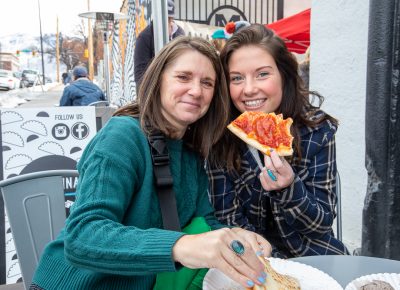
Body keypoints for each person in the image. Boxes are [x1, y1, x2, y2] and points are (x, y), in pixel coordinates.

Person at [31, 36, 272, 290]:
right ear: (158, 80)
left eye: (207, 83)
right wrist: (180, 246)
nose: (196, 90)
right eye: (183, 77)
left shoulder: (191, 149)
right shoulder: (121, 136)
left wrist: (237, 237)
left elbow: (204, 220)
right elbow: (82, 235)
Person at [206, 23, 349, 258]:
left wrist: (289, 186)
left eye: (263, 74)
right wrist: (274, 263)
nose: (249, 89)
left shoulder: (317, 131)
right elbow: (229, 221)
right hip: (253, 258)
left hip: (313, 255)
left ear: (284, 75)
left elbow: (320, 225)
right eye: (237, 78)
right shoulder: (220, 137)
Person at [134, 0, 185, 91]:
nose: (169, 24)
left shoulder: (180, 33)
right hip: (155, 90)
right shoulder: (144, 37)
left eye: (170, 19)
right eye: (165, 19)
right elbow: (140, 75)